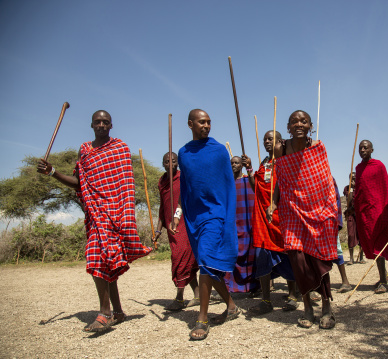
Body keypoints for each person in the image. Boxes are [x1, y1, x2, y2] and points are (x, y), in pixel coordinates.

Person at [37, 110, 152, 332]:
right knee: (99, 257)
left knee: (104, 259)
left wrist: (124, 215)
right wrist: (53, 172)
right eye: (97, 122)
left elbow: (125, 185)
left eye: (105, 122)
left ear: (111, 125)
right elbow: (80, 182)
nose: (101, 124)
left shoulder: (119, 148)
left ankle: (106, 313)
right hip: (96, 213)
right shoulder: (85, 151)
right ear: (91, 125)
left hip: (116, 212)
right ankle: (113, 311)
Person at [170, 109, 240, 340]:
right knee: (207, 263)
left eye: (209, 122)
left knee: (206, 261)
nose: (207, 125)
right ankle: (231, 306)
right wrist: (178, 214)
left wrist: (228, 214)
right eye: (202, 122)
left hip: (216, 212)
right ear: (190, 124)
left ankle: (202, 318)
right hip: (195, 216)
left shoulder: (219, 150)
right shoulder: (184, 153)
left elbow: (227, 184)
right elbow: (186, 188)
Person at [267, 110, 339, 330]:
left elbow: (325, 181)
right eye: (294, 121)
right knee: (298, 261)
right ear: (288, 127)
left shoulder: (318, 147)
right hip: (292, 211)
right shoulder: (281, 149)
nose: (299, 124)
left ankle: (326, 306)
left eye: (303, 121)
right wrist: (274, 202)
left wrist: (328, 209)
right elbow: (281, 177)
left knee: (318, 260)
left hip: (319, 212)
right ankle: (307, 307)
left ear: (310, 125)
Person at [241, 131, 299, 316]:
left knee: (288, 253)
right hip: (263, 217)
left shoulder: (286, 160)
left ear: (280, 142)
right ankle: (266, 300)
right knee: (262, 254)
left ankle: (292, 295)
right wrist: (250, 169)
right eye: (265, 139)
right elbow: (255, 186)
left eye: (270, 139)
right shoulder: (264, 163)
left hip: (282, 214)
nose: (267, 142)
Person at [153, 152, 199, 311]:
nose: (170, 163)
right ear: (163, 164)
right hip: (170, 226)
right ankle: (198, 295)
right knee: (187, 261)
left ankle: (179, 298)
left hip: (184, 224)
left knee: (180, 257)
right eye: (166, 161)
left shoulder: (183, 177)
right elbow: (162, 206)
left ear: (177, 163)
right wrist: (158, 230)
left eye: (173, 161)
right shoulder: (162, 181)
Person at [354, 140, 388, 294]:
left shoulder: (379, 166)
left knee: (379, 243)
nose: (363, 150)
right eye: (360, 148)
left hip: (378, 209)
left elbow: (386, 188)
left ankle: (383, 281)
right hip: (364, 212)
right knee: (370, 242)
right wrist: (354, 206)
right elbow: (359, 191)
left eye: (366, 147)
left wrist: (385, 209)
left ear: (372, 150)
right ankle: (384, 275)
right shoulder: (358, 168)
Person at [223, 156, 260, 294]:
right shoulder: (227, 184)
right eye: (232, 163)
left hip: (248, 223)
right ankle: (232, 286)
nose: (234, 165)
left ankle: (254, 286)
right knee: (233, 253)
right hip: (233, 223)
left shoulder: (247, 181)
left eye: (237, 163)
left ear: (241, 165)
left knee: (251, 254)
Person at [342, 172, 365, 265]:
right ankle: (351, 258)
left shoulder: (361, 187)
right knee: (351, 235)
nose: (354, 181)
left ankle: (361, 257)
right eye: (352, 179)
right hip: (351, 215)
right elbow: (349, 200)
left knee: (361, 235)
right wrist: (351, 188)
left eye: (355, 179)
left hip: (359, 215)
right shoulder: (347, 188)